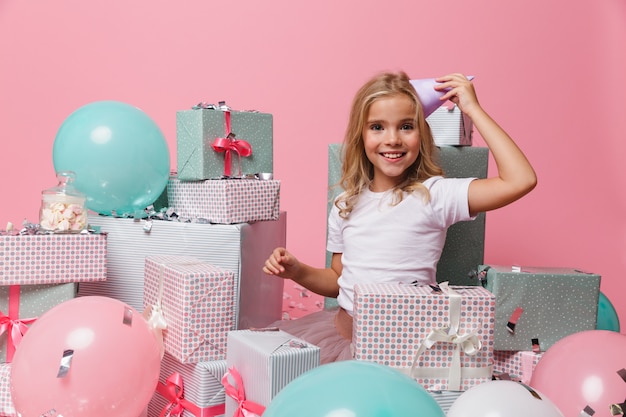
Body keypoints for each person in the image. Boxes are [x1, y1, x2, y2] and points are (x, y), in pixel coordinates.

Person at [262, 71, 537, 364]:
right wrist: (297, 271)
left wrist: (473, 110)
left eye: (406, 126)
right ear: (361, 135)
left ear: (422, 134)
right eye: (377, 127)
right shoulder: (346, 204)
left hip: (404, 346)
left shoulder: (434, 196)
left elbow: (520, 180)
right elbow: (339, 279)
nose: (392, 139)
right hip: (343, 339)